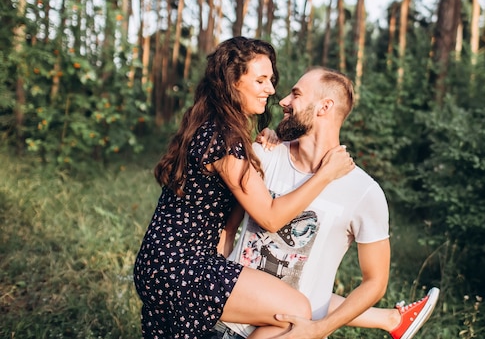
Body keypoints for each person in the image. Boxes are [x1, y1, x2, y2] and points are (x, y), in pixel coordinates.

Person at [133, 37, 355, 339]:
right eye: (261, 80)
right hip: (179, 266)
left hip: (166, 262)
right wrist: (325, 174)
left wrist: (266, 142)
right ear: (233, 82)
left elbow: (230, 215)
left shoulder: (217, 128)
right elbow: (271, 218)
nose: (272, 90)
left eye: (271, 80)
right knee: (295, 311)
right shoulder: (223, 139)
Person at [212, 67, 439, 339]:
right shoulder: (265, 154)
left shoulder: (364, 192)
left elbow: (376, 283)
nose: (283, 100)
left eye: (295, 94)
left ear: (324, 107)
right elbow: (227, 226)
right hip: (220, 324)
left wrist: (318, 330)